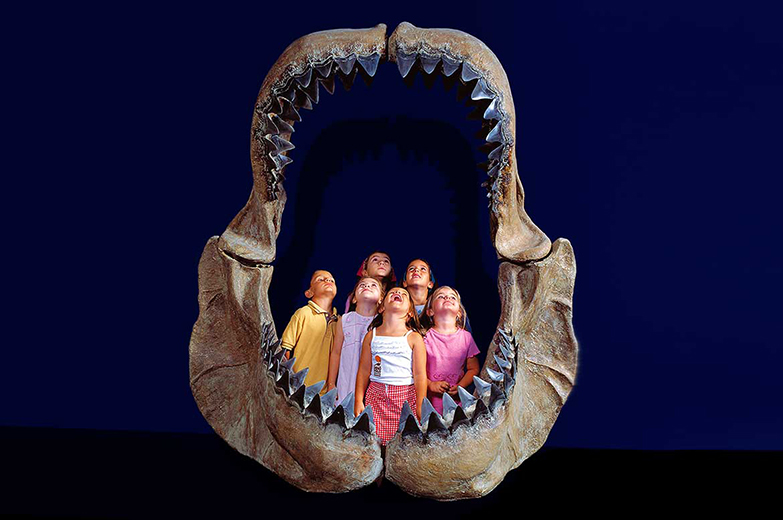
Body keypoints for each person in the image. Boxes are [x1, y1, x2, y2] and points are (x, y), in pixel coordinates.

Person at [354, 287, 427, 445]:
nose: (398, 294)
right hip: (376, 398)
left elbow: (420, 375)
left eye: (404, 294)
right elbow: (364, 371)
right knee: (373, 443)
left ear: (410, 312)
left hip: (405, 399)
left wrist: (421, 404)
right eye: (392, 292)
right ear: (381, 307)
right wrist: (358, 400)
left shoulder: (414, 338)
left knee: (402, 444)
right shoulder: (371, 336)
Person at [421, 286, 480, 415]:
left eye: (452, 297)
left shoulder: (466, 338)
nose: (447, 297)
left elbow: (473, 368)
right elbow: (416, 372)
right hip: (430, 405)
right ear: (430, 311)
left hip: (458, 404)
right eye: (441, 296)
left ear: (459, 312)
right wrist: (430, 384)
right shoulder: (424, 338)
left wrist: (460, 386)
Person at [280, 270, 338, 394]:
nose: (327, 280)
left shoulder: (340, 322)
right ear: (309, 292)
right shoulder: (303, 313)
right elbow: (286, 348)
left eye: (331, 280)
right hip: (298, 387)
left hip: (324, 394)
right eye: (320, 279)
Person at [326, 277, 384, 402]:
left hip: (370, 386)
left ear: (381, 299)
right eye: (362, 285)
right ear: (354, 299)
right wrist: (331, 383)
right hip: (346, 382)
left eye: (373, 285)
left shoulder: (382, 323)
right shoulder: (345, 320)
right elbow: (336, 353)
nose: (367, 287)